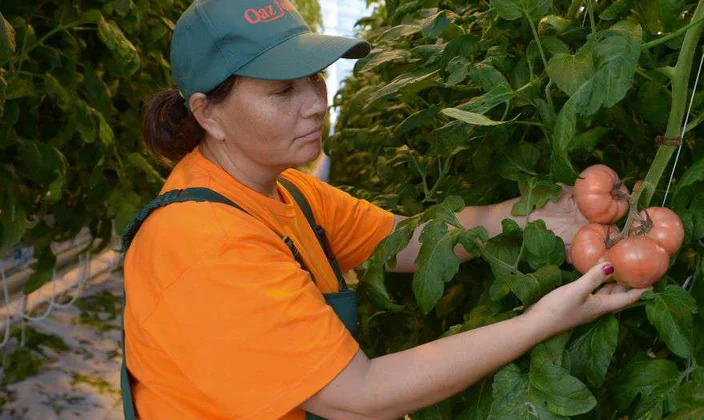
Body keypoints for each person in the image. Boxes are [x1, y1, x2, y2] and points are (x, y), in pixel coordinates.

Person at [120, 0, 648, 419]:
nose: (314, 102)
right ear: (207, 113)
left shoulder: (289, 192)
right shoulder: (204, 240)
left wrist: (538, 216)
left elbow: (409, 240)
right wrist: (539, 322)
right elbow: (358, 397)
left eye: (315, 78)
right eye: (282, 91)